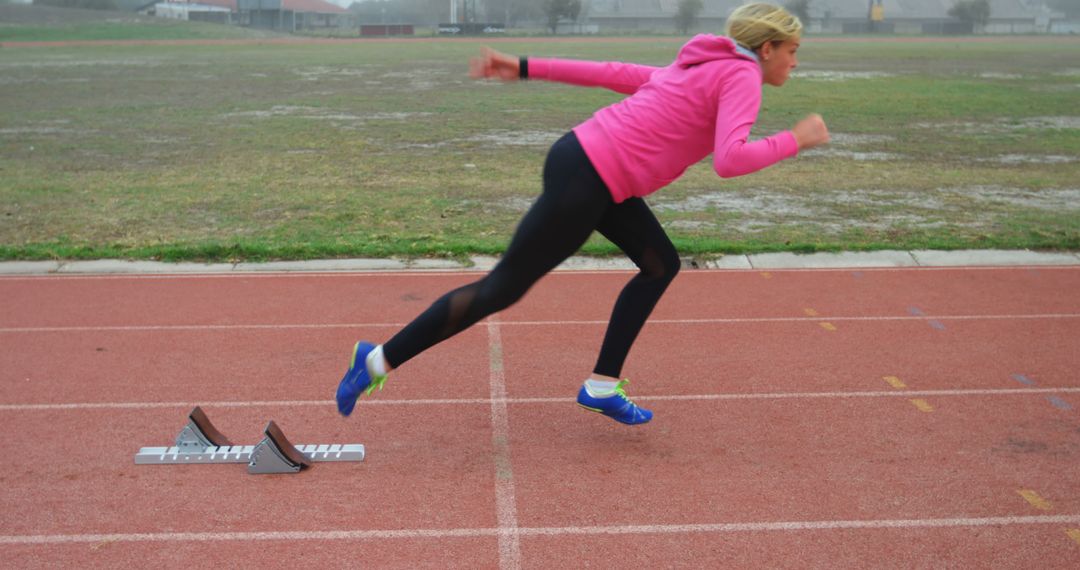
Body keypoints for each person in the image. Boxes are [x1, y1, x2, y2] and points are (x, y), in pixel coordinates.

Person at [336, 3, 830, 425]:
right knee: (500, 289)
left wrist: (525, 66)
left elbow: (618, 74)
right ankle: (375, 360)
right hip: (590, 176)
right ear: (767, 48)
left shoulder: (706, 64)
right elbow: (730, 160)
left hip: (593, 169)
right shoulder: (741, 73)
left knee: (660, 264)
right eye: (793, 50)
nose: (795, 62)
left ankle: (601, 387)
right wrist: (796, 140)